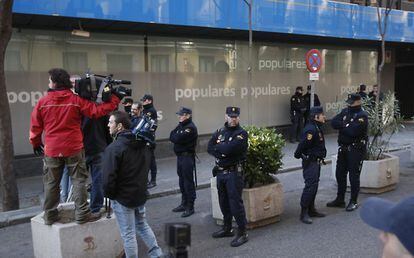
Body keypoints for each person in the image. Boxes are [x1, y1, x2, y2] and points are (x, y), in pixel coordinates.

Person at [29, 68, 121, 225]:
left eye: (50, 80)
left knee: (51, 183)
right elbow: (96, 111)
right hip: (74, 147)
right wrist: (114, 100)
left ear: (55, 82)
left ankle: (50, 215)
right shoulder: (75, 100)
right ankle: (82, 215)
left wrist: (35, 143)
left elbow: (35, 126)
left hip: (52, 149)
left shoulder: (42, 102)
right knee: (79, 180)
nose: (49, 82)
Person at [103, 111, 162, 258]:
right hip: (139, 194)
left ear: (120, 126)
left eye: (111, 122)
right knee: (142, 225)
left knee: (128, 234)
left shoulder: (114, 148)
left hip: (123, 198)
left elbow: (108, 179)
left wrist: (110, 195)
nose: (108, 125)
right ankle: (157, 254)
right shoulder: (143, 145)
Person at [207, 106, 249, 247]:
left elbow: (229, 149)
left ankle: (242, 233)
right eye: (231, 116)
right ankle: (227, 228)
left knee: (235, 204)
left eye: (236, 116)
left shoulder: (241, 134)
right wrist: (223, 151)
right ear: (226, 116)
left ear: (238, 117)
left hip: (233, 173)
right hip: (221, 172)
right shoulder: (220, 131)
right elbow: (209, 147)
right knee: (223, 202)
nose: (233, 118)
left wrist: (222, 149)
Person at [327, 93, 368, 212]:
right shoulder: (346, 111)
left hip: (355, 149)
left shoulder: (362, 116)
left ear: (358, 102)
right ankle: (340, 199)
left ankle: (353, 201)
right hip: (343, 148)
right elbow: (333, 123)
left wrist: (344, 126)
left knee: (353, 176)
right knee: (340, 174)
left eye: (352, 102)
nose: (349, 104)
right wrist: (346, 125)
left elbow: (353, 132)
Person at [294, 106, 327, 224]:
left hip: (316, 162)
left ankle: (311, 209)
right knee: (310, 186)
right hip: (311, 162)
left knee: (314, 186)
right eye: (322, 115)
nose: (324, 117)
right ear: (316, 117)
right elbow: (302, 145)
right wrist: (298, 155)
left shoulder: (316, 127)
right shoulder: (310, 130)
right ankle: (304, 213)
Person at [169, 107, 198, 218]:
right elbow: (171, 136)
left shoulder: (190, 128)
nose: (179, 116)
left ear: (188, 115)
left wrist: (177, 136)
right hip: (180, 158)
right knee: (182, 181)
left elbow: (177, 138)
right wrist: (176, 136)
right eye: (179, 115)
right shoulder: (181, 125)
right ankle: (184, 203)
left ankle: (190, 206)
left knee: (188, 182)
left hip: (187, 158)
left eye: (182, 115)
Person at [141, 94, 158, 189]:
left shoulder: (150, 111)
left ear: (149, 101)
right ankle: (147, 180)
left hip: (149, 138)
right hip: (145, 138)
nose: (143, 102)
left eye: (144, 100)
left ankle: (153, 180)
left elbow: (148, 125)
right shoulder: (145, 110)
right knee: (146, 160)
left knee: (151, 160)